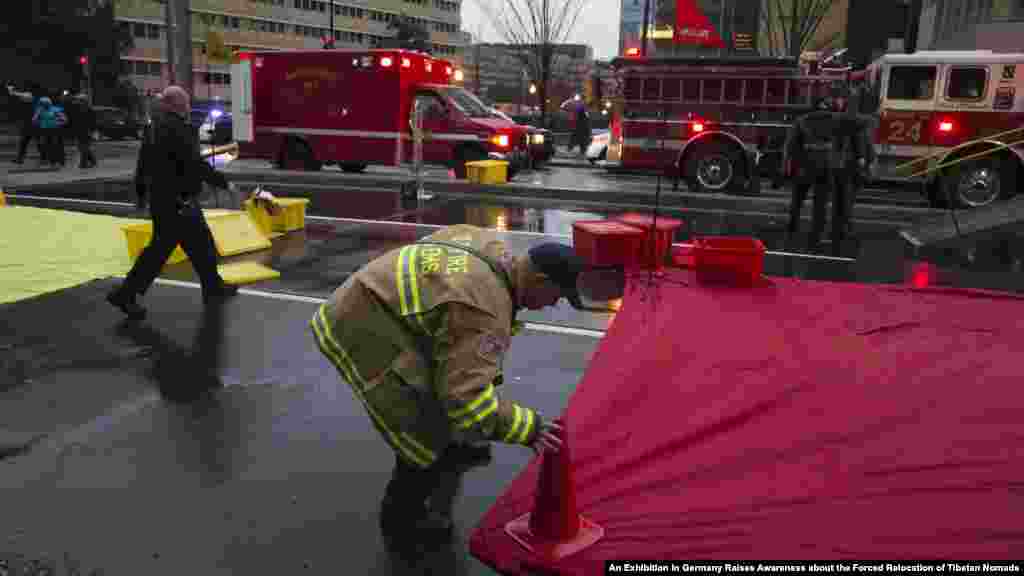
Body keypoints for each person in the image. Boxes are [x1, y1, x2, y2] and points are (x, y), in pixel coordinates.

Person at [310, 224, 622, 553]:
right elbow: (467, 400)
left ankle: (451, 455)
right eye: (556, 296)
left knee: (446, 404)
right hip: (360, 325)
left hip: (375, 298)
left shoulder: (491, 248)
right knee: (424, 434)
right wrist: (528, 428)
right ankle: (402, 526)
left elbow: (458, 342)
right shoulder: (484, 310)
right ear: (540, 280)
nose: (551, 305)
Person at [106, 85, 239, 320]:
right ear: (177, 105)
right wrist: (224, 183)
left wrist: (140, 196)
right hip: (179, 202)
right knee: (161, 251)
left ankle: (213, 286)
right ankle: (126, 293)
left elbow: (143, 164)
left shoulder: (153, 128)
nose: (189, 107)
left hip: (164, 200)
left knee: (200, 244)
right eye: (186, 103)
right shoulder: (180, 129)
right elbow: (194, 164)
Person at [783, 85, 871, 256]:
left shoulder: (801, 121)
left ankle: (792, 226)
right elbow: (861, 125)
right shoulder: (835, 119)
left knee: (797, 199)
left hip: (805, 165)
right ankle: (816, 233)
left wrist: (790, 162)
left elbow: (791, 145)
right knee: (820, 202)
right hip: (826, 165)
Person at [13, 84, 44, 165]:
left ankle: (44, 158)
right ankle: (19, 158)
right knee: (24, 142)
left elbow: (25, 96)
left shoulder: (35, 98)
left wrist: (13, 92)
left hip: (34, 124)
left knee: (37, 142)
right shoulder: (36, 98)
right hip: (30, 123)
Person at [67, 95, 97, 169]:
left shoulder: (89, 109)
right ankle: (92, 161)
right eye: (78, 100)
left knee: (84, 147)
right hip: (79, 130)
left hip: (86, 131)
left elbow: (93, 122)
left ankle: (83, 163)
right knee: (82, 147)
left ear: (84, 101)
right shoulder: (77, 109)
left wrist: (92, 131)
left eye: (80, 100)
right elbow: (74, 120)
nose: (78, 102)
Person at [32, 97, 60, 167]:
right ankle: (43, 159)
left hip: (53, 130)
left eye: (43, 104)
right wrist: (38, 118)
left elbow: (64, 119)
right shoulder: (40, 110)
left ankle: (53, 161)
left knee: (53, 145)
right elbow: (34, 120)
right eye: (41, 104)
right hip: (43, 130)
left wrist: (57, 122)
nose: (42, 105)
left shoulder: (54, 110)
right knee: (43, 145)